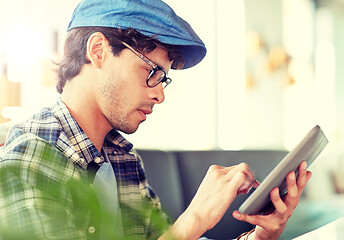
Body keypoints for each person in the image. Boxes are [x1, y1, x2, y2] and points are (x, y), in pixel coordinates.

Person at [0, 0, 312, 239]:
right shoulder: (32, 156)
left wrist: (262, 234)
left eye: (164, 79)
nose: (160, 95)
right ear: (98, 51)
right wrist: (194, 219)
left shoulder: (123, 159)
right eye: (152, 72)